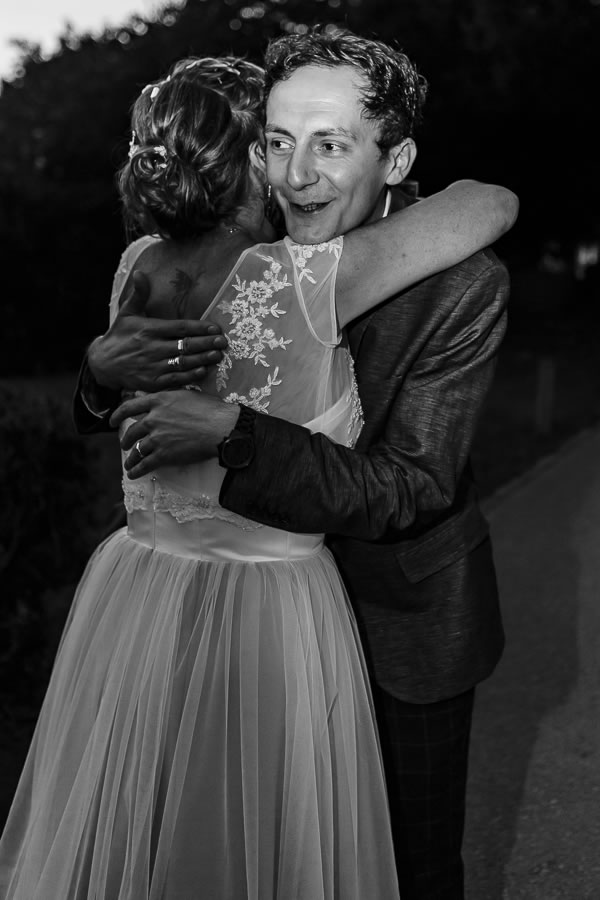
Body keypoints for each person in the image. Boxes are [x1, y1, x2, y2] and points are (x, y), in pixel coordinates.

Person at [6, 42, 516, 900]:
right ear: (254, 153)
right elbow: (493, 201)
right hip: (247, 614)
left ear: (393, 159)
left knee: (401, 865)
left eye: (329, 144)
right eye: (278, 143)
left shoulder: (455, 282)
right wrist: (98, 372)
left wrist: (226, 429)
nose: (297, 173)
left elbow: (412, 486)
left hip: (386, 611)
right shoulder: (268, 261)